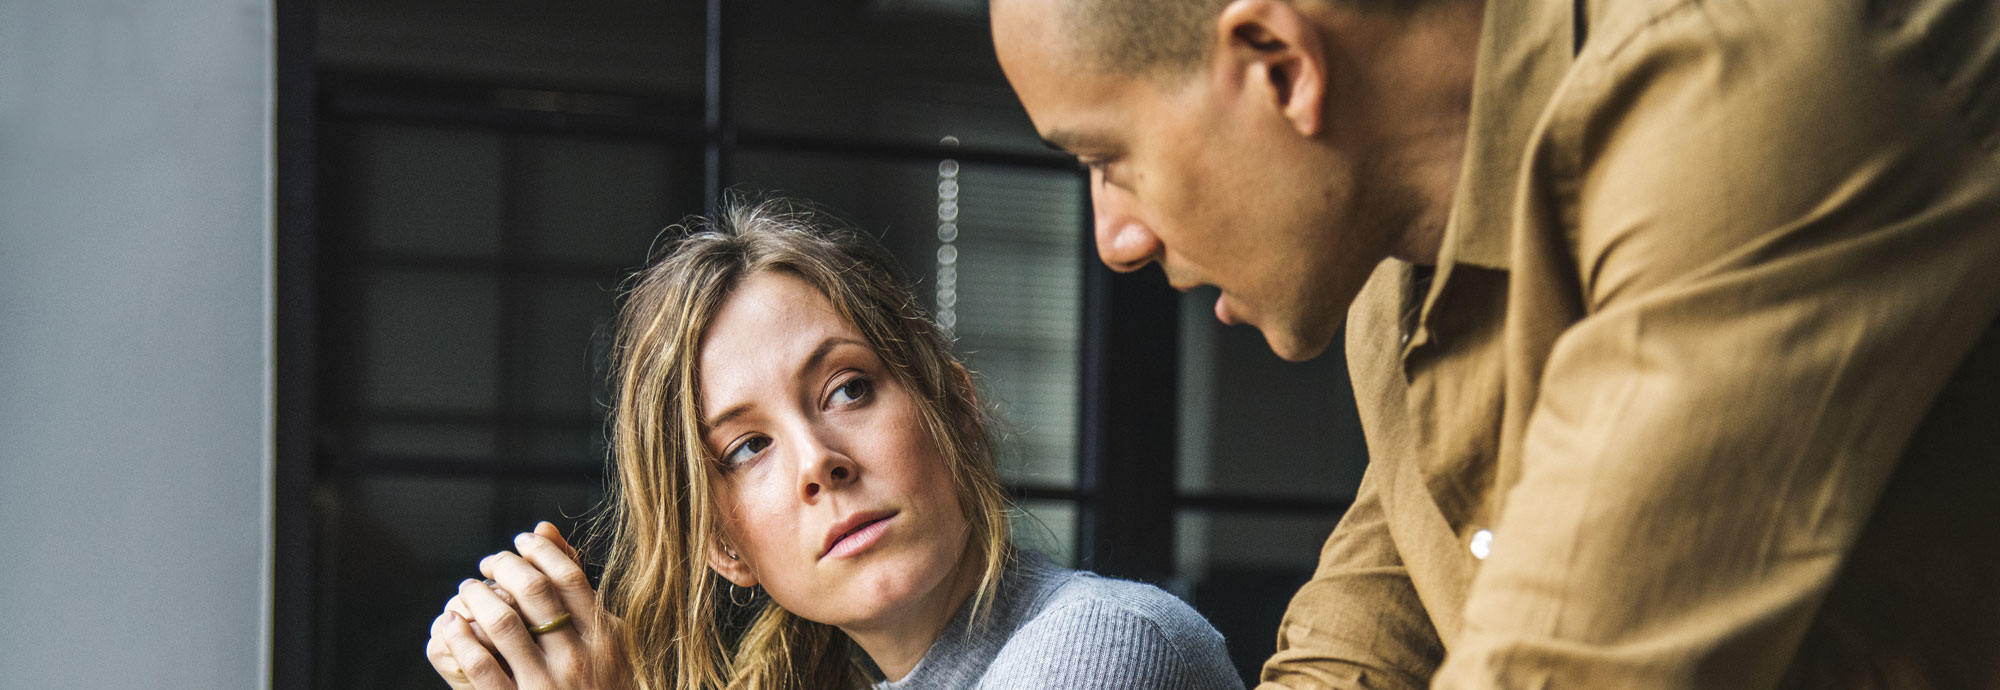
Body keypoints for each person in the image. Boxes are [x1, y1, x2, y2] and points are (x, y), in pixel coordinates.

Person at [991, 0, 2000, 688]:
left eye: (1104, 158)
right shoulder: (1398, 273)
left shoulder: (1742, 95)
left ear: (1277, 65)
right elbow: (1365, 641)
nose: (1113, 240)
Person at [422, 198, 1247, 690]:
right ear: (724, 547)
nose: (818, 461)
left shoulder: (1109, 643)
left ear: (956, 409)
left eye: (847, 389)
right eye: (746, 447)